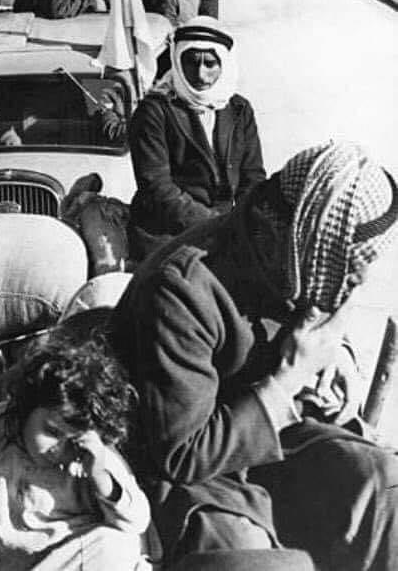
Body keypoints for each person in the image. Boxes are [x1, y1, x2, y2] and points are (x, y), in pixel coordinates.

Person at [110, 141, 398, 569]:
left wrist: (335, 356)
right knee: (256, 560)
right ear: (293, 238)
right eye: (349, 265)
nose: (357, 279)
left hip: (270, 437)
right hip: (191, 471)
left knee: (383, 485)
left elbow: (320, 308)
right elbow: (181, 455)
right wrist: (291, 376)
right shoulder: (182, 288)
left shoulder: (296, 258)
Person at [0, 336, 150, 570]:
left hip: (67, 562)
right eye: (51, 431)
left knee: (117, 547)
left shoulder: (91, 458)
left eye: (73, 441)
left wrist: (99, 477)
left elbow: (136, 523)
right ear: (27, 406)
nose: (58, 449)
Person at [128, 17, 265, 258]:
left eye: (210, 64)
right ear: (177, 61)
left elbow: (252, 178)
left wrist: (247, 224)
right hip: (167, 234)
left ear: (224, 64)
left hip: (226, 230)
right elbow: (158, 189)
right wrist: (218, 226)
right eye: (191, 62)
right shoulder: (155, 110)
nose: (201, 74)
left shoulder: (239, 109)